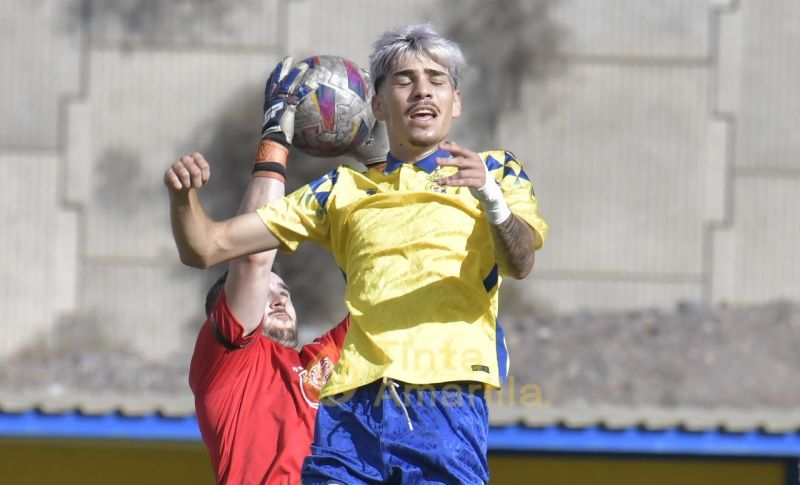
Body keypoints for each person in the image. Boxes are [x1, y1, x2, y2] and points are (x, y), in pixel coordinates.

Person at [168, 23, 548, 484]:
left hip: (442, 402)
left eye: (437, 80)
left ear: (456, 101)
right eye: (404, 81)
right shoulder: (341, 190)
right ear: (378, 106)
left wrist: (490, 196)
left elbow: (521, 261)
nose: (422, 90)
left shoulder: (495, 171)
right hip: (351, 410)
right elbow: (209, 247)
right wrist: (183, 197)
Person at [164, 58, 358, 484]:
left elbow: (376, 297)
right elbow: (253, 259)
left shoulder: (316, 363)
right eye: (266, 294)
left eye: (283, 292)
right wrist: (275, 138)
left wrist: (379, 157)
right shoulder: (228, 364)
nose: (279, 298)